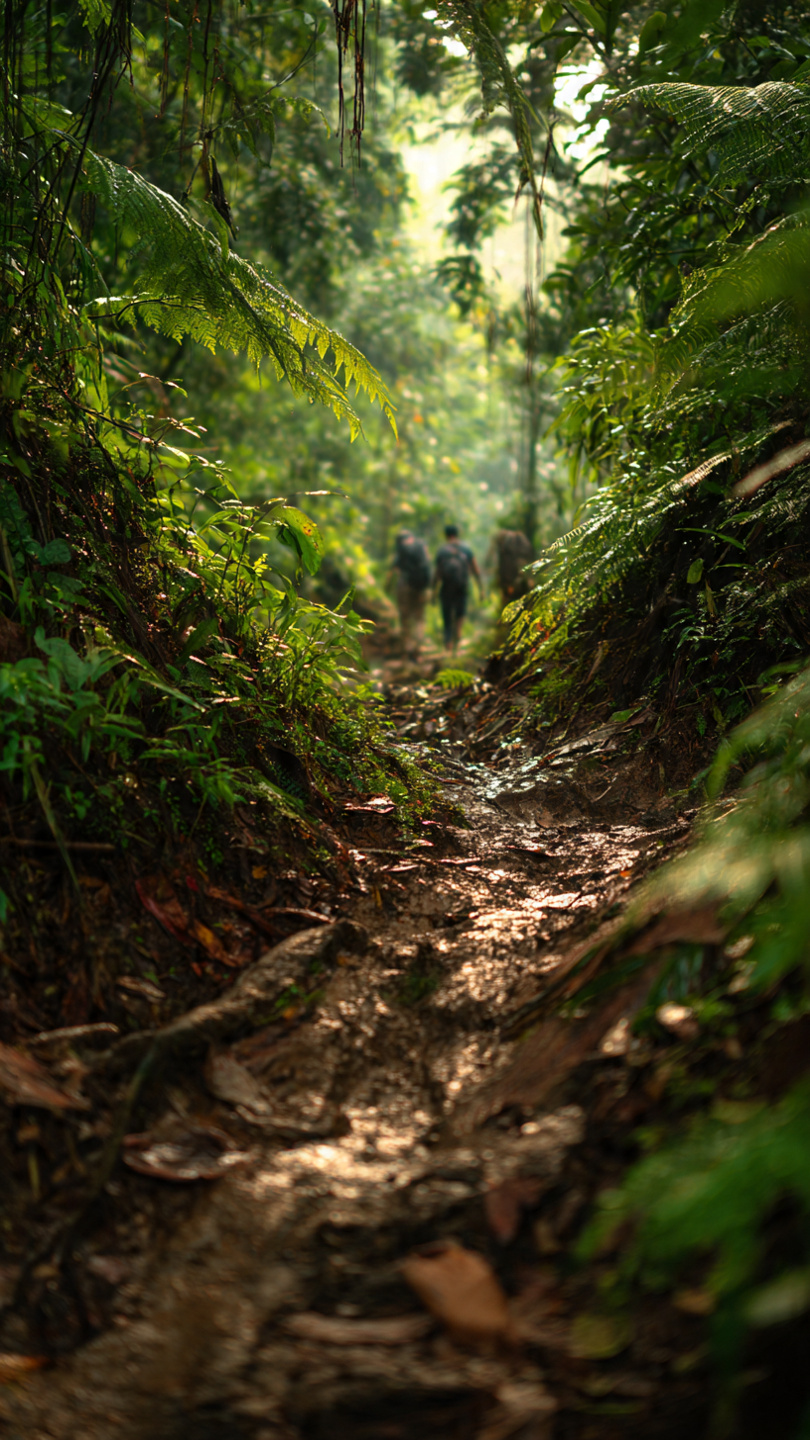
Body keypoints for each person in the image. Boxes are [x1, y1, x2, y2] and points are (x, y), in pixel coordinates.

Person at [433, 524, 484, 652]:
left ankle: (448, 641)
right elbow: (475, 569)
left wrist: (433, 590)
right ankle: (458, 635)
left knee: (447, 613)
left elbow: (437, 573)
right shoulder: (466, 549)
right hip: (462, 585)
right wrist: (480, 588)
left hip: (446, 587)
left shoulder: (442, 551)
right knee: (460, 611)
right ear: (457, 534)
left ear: (446, 535)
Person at [389, 529, 431, 654]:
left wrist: (389, 587)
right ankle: (418, 646)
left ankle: (407, 646)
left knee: (405, 617)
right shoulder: (421, 546)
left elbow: (394, 571)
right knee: (419, 617)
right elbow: (427, 563)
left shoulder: (400, 550)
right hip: (421, 587)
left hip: (405, 586)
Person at [493, 528, 534, 608]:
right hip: (520, 584)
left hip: (512, 585)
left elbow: (505, 568)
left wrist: (508, 585)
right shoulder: (520, 542)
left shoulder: (507, 548)